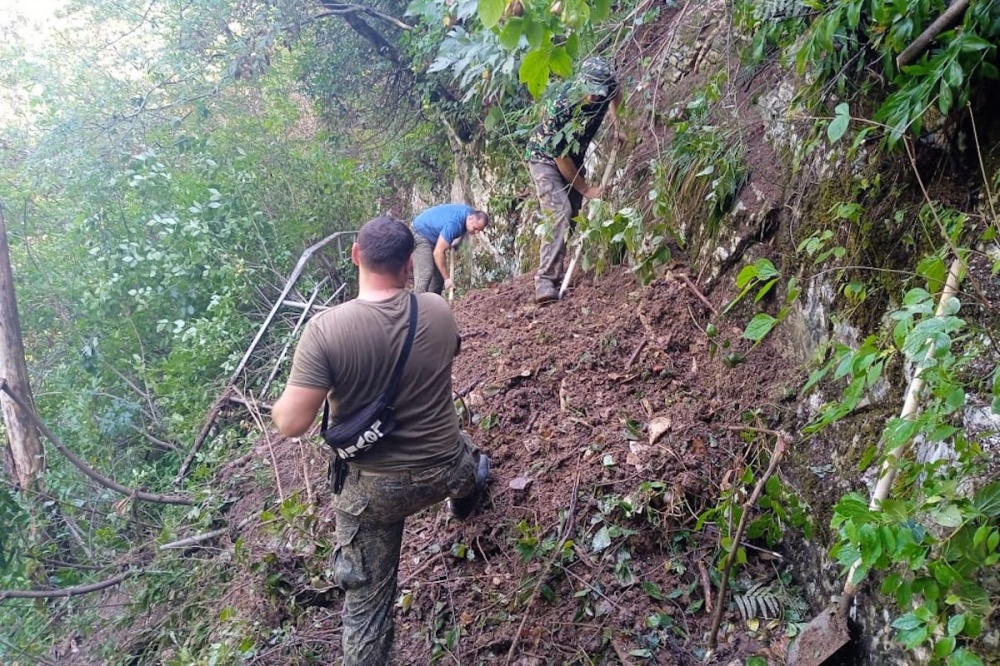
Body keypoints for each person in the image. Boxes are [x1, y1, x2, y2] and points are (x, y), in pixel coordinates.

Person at [272, 215, 490, 665]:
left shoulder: (325, 331)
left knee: (366, 606)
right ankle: (465, 497)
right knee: (468, 459)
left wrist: (286, 399)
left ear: (356, 256)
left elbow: (291, 424)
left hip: (375, 492)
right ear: (409, 264)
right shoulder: (437, 308)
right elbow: (445, 356)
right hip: (446, 465)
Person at [526, 56, 621, 304]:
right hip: (545, 158)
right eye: (590, 91)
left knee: (573, 215)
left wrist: (615, 120)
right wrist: (587, 188)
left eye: (599, 93)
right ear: (581, 83)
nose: (594, 98)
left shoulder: (606, 89)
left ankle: (558, 270)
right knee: (560, 211)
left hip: (574, 157)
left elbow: (616, 93)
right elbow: (560, 157)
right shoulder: (563, 106)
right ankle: (545, 281)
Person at [411, 203, 489, 295]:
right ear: (471, 218)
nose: (476, 232)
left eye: (479, 230)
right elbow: (438, 252)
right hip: (420, 233)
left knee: (438, 278)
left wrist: (457, 240)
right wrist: (447, 279)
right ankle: (415, 306)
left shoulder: (469, 213)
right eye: (475, 228)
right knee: (426, 272)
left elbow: (465, 228)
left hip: (433, 236)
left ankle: (432, 305)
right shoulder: (453, 225)